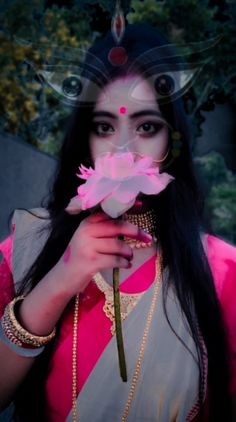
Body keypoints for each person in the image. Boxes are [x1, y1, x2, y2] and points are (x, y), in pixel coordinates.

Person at [0, 22, 236, 422]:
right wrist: (59, 281)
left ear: (172, 141)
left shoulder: (224, 273)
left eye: (147, 127)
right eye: (104, 127)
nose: (123, 148)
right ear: (84, 140)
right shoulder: (26, 249)